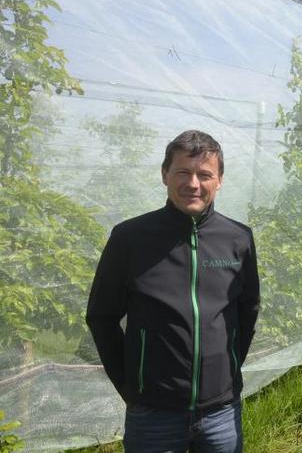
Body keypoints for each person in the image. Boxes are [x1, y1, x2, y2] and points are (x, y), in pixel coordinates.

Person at [86, 130, 260, 453]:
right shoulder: (130, 238)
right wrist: (131, 386)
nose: (193, 183)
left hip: (221, 412)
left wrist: (228, 372)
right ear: (165, 175)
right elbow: (101, 316)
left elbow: (247, 311)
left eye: (204, 174)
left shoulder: (238, 239)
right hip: (153, 415)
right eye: (183, 172)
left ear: (219, 180)